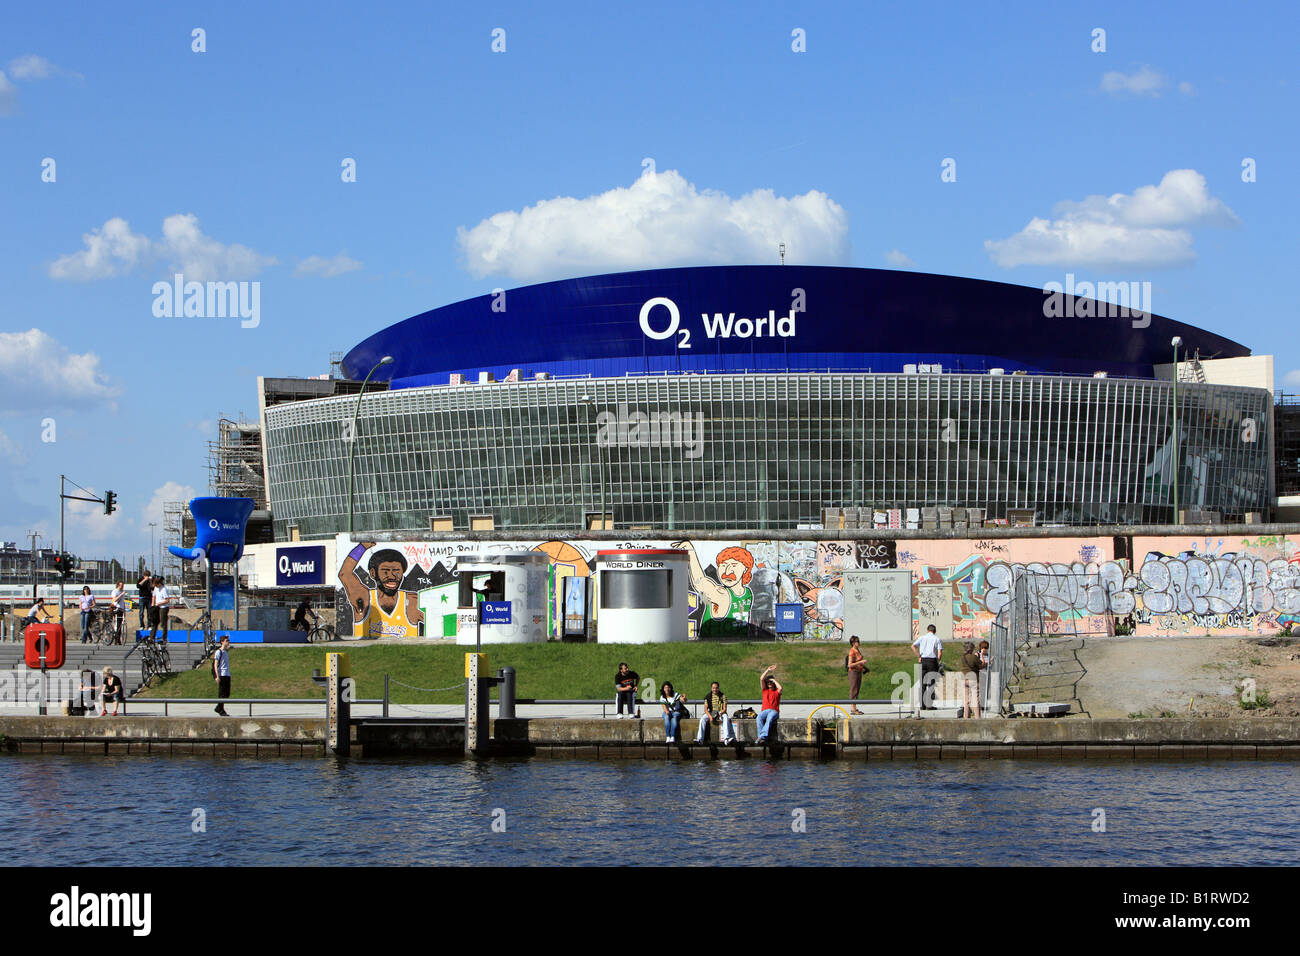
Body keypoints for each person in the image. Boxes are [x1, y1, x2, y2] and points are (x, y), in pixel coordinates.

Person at [912, 624, 944, 711]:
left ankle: (922, 705)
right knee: (931, 683)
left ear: (927, 630)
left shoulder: (922, 638)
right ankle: (929, 705)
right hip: (932, 661)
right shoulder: (937, 639)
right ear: (935, 631)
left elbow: (913, 646)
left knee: (922, 683)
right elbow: (940, 653)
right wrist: (937, 661)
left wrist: (919, 656)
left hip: (923, 661)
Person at [756, 665, 782, 743]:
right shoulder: (765, 690)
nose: (769, 684)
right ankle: (761, 736)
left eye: (771, 682)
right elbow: (761, 679)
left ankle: (762, 736)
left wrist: (774, 680)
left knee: (769, 718)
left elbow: (780, 688)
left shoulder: (776, 692)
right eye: (768, 682)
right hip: (765, 710)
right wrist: (768, 670)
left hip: (774, 711)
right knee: (759, 718)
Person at [959, 642, 984, 718]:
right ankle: (977, 717)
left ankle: (966, 716)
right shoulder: (973, 657)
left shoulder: (962, 657)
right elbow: (981, 664)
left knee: (966, 700)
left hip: (964, 679)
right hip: (973, 679)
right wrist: (981, 655)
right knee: (975, 698)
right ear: (971, 648)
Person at [846, 635, 869, 715]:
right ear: (853, 643)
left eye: (859, 641)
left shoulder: (857, 650)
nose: (859, 643)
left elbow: (860, 661)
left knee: (857, 691)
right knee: (853, 690)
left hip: (858, 672)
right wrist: (860, 662)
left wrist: (865, 668)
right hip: (853, 673)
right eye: (857, 641)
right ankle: (853, 709)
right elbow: (850, 665)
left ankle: (855, 708)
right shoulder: (852, 651)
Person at [213, 635, 232, 715]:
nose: (228, 642)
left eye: (228, 641)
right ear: (222, 642)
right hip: (222, 675)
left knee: (227, 694)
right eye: (226, 641)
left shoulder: (226, 652)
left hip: (227, 674)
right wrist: (217, 676)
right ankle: (221, 710)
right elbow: (215, 664)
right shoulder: (219, 652)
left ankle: (218, 707)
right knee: (222, 694)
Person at [149, 576, 171, 643]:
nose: (156, 586)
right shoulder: (156, 588)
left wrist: (160, 603)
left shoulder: (164, 589)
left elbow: (167, 600)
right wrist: (153, 604)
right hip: (157, 607)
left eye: (157, 584)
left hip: (163, 607)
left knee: (163, 623)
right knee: (154, 622)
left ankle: (164, 639)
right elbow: (154, 596)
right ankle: (151, 638)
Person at [109, 580, 127, 645]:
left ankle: (118, 639)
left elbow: (123, 602)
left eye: (123, 586)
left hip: (121, 609)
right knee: (116, 624)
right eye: (121, 585)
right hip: (116, 608)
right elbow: (114, 600)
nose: (122, 587)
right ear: (118, 585)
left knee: (120, 625)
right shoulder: (115, 591)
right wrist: (121, 594)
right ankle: (116, 639)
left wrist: (124, 610)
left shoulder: (122, 592)